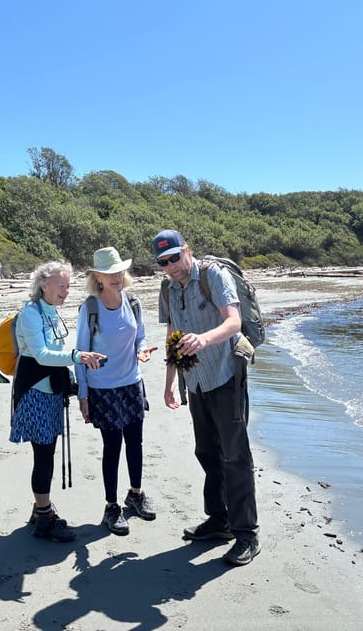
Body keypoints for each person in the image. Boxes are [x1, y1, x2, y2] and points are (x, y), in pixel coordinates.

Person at [153, 229, 260, 566]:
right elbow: (173, 334)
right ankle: (219, 519)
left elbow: (233, 322)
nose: (170, 266)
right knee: (206, 451)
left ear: (186, 250)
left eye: (173, 258)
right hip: (195, 381)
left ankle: (246, 533)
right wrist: (170, 381)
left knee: (235, 456)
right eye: (163, 262)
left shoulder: (212, 274)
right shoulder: (169, 288)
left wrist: (204, 339)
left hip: (226, 376)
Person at [10, 261, 106, 542]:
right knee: (43, 455)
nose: (66, 290)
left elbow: (55, 350)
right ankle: (44, 518)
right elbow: (41, 355)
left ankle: (40, 508)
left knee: (46, 453)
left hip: (51, 391)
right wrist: (78, 356)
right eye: (60, 285)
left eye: (68, 285)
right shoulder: (30, 313)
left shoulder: (50, 312)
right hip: (35, 393)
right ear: (44, 286)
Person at [75, 247, 159, 536]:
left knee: (136, 441)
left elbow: (141, 336)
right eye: (111, 273)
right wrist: (83, 395)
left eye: (120, 271)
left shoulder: (133, 302)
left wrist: (141, 351)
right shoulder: (90, 308)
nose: (118, 277)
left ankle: (135, 494)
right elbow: (81, 354)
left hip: (131, 382)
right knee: (112, 447)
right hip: (103, 388)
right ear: (97, 276)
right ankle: (111, 506)